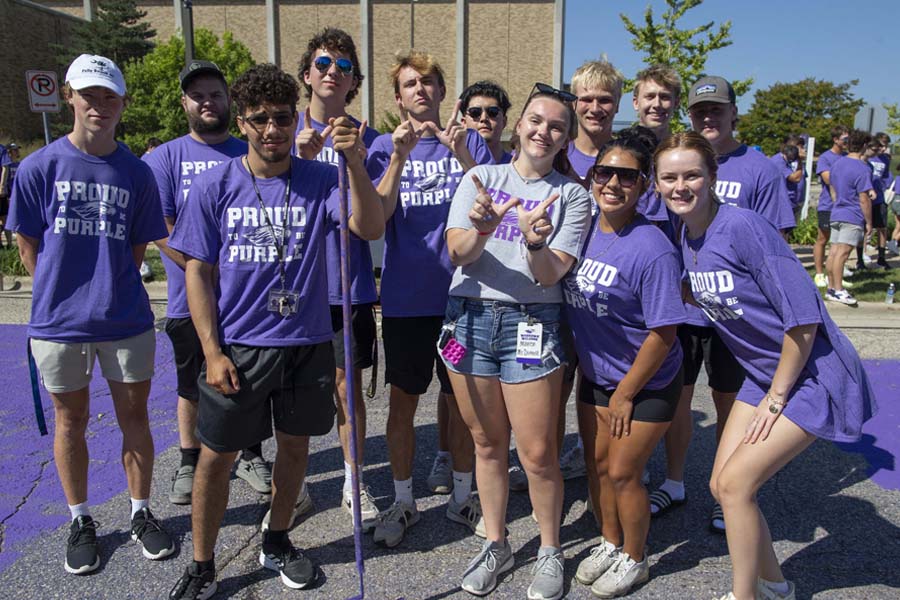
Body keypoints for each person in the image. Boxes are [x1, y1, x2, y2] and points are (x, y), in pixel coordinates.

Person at [166, 63, 385, 599]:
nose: (272, 129)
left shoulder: (320, 178)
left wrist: (354, 160)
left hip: (305, 344)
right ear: (242, 122)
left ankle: (279, 537)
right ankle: (202, 562)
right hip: (239, 346)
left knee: (294, 450)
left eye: (282, 118)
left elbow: (370, 226)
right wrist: (212, 351)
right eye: (260, 119)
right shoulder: (217, 184)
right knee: (216, 459)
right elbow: (197, 270)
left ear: (294, 118)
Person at [655, 130, 877, 600]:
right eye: (669, 177)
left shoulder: (744, 228)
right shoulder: (685, 232)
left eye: (692, 174)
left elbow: (802, 321)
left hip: (810, 374)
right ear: (657, 183)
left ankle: (745, 596)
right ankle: (775, 585)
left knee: (736, 487)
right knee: (721, 485)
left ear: (713, 176)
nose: (681, 186)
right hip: (764, 374)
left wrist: (776, 397)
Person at [4, 54, 174, 575]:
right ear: (70, 97)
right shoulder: (39, 167)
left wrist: (104, 286)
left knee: (134, 417)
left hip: (124, 319)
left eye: (109, 97)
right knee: (70, 420)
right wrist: (63, 289)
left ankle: (141, 511)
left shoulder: (136, 172)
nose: (99, 105)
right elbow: (26, 243)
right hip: (58, 323)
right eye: (90, 95)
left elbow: (137, 244)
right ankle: (81, 520)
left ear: (121, 104)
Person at [444, 83, 591, 599]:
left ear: (565, 138)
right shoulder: (480, 178)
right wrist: (485, 227)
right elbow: (459, 253)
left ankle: (550, 549)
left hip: (533, 325)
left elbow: (551, 274)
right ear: (518, 124)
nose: (543, 131)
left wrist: (533, 241)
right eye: (535, 120)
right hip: (468, 321)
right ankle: (497, 542)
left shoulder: (572, 196)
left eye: (555, 125)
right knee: (486, 444)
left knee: (537, 452)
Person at [363, 50, 493, 548]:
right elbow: (377, 214)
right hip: (404, 303)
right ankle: (403, 499)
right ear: (398, 98)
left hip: (461, 300)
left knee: (464, 403)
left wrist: (462, 155)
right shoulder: (382, 147)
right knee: (402, 403)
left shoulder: (471, 142)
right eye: (411, 83)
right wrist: (397, 155)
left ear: (443, 93)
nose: (421, 89)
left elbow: (494, 208)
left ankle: (462, 496)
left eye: (429, 82)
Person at [565, 127, 685, 598]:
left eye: (627, 177)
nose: (612, 184)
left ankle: (636, 558)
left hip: (647, 380)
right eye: (604, 173)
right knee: (596, 466)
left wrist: (626, 393)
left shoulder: (652, 247)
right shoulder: (583, 227)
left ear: (644, 186)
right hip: (597, 375)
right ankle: (610, 541)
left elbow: (663, 332)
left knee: (623, 472)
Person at [142, 60, 261, 507]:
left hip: (246, 300)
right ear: (185, 103)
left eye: (215, 93)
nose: (207, 102)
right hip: (187, 299)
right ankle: (190, 459)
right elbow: (161, 224)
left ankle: (250, 454)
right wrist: (203, 266)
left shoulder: (245, 150)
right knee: (191, 384)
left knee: (249, 382)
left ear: (229, 99)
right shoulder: (165, 158)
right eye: (198, 96)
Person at [293, 26, 383, 526]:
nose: (333, 72)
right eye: (324, 63)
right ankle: (296, 485)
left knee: (347, 390)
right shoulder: (283, 134)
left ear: (354, 82)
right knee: (295, 393)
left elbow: (379, 216)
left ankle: (354, 482)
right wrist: (296, 161)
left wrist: (357, 160)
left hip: (347, 286)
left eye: (344, 67)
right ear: (308, 74)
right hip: (295, 289)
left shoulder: (371, 139)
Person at [559, 59, 626, 482]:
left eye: (605, 99)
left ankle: (606, 464)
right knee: (556, 384)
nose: (595, 107)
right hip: (558, 284)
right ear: (574, 101)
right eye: (586, 98)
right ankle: (547, 460)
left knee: (602, 384)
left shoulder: (626, 155)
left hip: (608, 290)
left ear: (618, 103)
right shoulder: (554, 149)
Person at [824, 130, 874, 306]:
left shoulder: (838, 164)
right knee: (843, 254)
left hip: (837, 211)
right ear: (864, 146)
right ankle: (839, 290)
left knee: (834, 252)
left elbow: (832, 187)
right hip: (852, 214)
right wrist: (869, 222)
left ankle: (831, 288)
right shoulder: (862, 168)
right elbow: (864, 199)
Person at [633, 65, 680, 225]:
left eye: (665, 97)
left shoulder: (683, 151)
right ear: (636, 103)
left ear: (676, 103)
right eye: (650, 96)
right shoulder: (622, 150)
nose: (657, 104)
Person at [812, 126, 849, 288]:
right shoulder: (826, 158)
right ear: (836, 140)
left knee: (840, 243)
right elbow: (828, 179)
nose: (847, 142)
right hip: (828, 205)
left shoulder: (848, 157)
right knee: (823, 239)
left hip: (845, 207)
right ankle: (819, 274)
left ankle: (835, 275)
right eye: (845, 139)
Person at [460, 80, 513, 164]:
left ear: (504, 121)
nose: (484, 118)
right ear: (464, 122)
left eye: (492, 112)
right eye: (475, 112)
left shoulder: (516, 167)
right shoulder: (452, 167)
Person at [867, 132, 892, 269]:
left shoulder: (885, 160)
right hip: (866, 197)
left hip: (879, 197)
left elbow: (885, 178)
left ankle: (881, 257)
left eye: (886, 146)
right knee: (866, 227)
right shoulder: (868, 158)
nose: (883, 149)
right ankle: (862, 256)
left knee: (882, 227)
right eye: (881, 145)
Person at [770, 135, 806, 225]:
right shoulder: (779, 160)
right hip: (784, 204)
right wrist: (799, 161)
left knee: (789, 235)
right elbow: (796, 178)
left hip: (795, 203)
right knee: (782, 233)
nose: (804, 150)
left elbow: (802, 178)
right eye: (801, 147)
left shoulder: (794, 162)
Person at [0, 142, 20, 247]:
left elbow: (5, 168)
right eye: (14, 150)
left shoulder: (20, 164)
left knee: (5, 216)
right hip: (9, 194)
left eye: (17, 150)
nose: (17, 152)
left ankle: (9, 243)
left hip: (14, 194)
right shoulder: (9, 164)